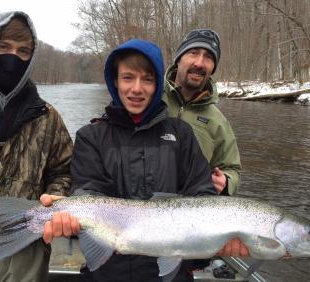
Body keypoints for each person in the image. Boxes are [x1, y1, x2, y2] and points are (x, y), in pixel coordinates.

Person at [41, 38, 248, 281]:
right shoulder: (91, 137)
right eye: (128, 77)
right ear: (115, 81)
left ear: (157, 83)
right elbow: (87, 191)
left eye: (147, 79)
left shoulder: (182, 135)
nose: (137, 88)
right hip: (106, 273)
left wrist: (217, 238)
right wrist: (68, 215)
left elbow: (203, 194)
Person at [0, 11, 73, 282]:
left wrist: (54, 200)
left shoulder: (47, 116)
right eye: (4, 47)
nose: (12, 58)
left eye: (23, 51)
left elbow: (64, 171)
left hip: (25, 254)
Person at [163, 29, 242, 195]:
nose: (199, 63)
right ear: (178, 59)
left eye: (208, 57)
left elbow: (232, 169)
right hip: (143, 203)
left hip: (191, 211)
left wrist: (226, 182)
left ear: (213, 68)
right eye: (193, 53)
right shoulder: (151, 98)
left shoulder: (218, 122)